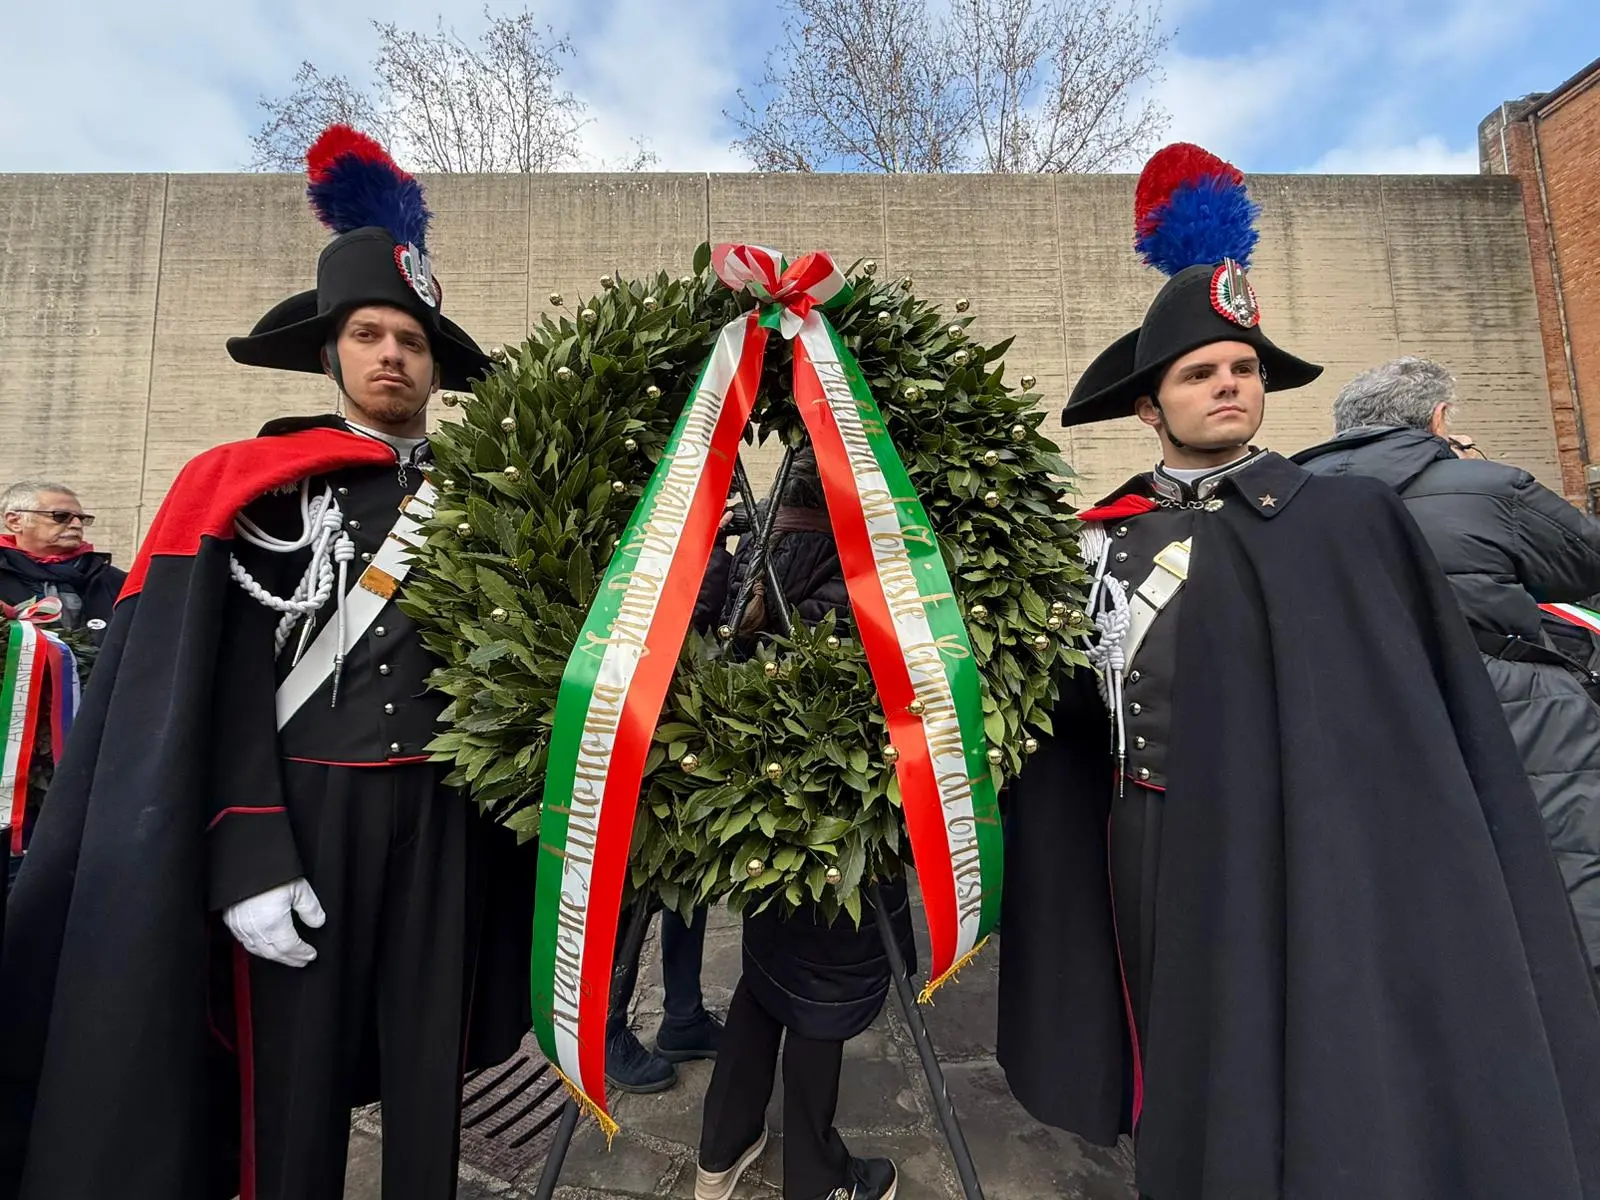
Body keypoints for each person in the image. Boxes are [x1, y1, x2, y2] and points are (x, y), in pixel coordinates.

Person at [995, 143, 1600, 1200]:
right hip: (1142, 826)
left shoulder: (1343, 521)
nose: (1228, 385)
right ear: (1150, 406)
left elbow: (1409, 718)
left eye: (1243, 369)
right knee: (1167, 1038)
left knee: (1296, 1045)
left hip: (1295, 830)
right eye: (1199, 374)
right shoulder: (1097, 538)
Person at [0, 125, 534, 1200]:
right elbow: (222, 679)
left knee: (431, 1067)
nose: (392, 354)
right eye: (369, 334)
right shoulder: (255, 484)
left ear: (437, 365)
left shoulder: (492, 495)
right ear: (331, 353)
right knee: (292, 1088)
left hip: (447, 814)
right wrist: (249, 850)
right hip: (305, 814)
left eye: (412, 340)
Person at [1295, 356, 1600, 971]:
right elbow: (1583, 566)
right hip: (1511, 704)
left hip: (1342, 713)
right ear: (1437, 418)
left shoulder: (1282, 500)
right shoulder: (1487, 486)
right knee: (1567, 869)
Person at [692, 445, 907, 1200]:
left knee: (767, 973)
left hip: (759, 804)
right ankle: (818, 1177)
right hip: (835, 808)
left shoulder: (762, 532)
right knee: (824, 989)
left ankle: (722, 1146)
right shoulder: (861, 550)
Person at [0, 483, 124, 639]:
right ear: (15, 522)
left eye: (81, 518)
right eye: (60, 516)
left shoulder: (115, 581)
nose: (77, 525)